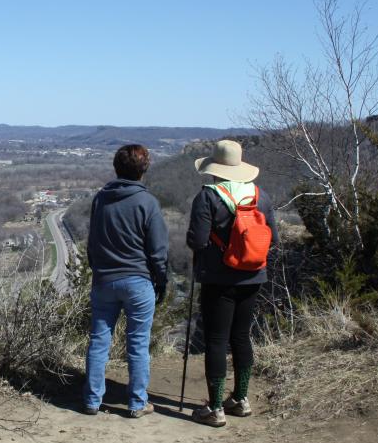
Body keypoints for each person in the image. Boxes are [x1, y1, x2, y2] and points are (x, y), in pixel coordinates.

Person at [186, 140, 276, 427]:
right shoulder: (261, 196)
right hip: (253, 276)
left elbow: (198, 240)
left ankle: (214, 408)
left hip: (218, 278)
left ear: (214, 168)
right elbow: (272, 236)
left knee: (216, 339)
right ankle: (241, 398)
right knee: (241, 336)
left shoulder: (208, 196)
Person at [83, 144, 169, 418]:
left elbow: (92, 241)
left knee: (99, 341)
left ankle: (92, 400)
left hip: (104, 280)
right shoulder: (147, 203)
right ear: (144, 170)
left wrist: (97, 269)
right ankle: (136, 402)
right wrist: (161, 280)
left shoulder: (101, 199)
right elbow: (157, 251)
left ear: (116, 167)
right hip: (137, 280)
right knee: (138, 343)